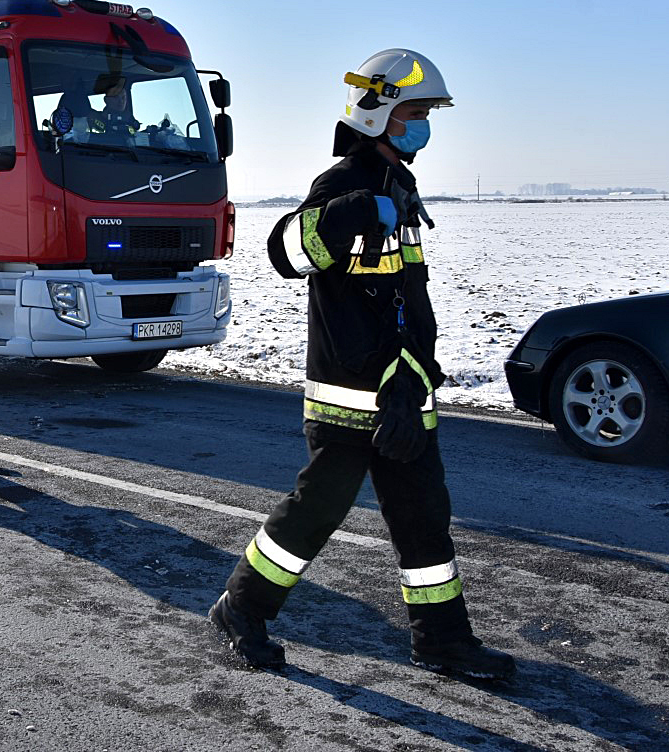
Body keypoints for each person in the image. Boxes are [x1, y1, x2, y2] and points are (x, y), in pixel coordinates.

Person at [209, 48, 515, 681]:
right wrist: (351, 212)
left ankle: (442, 640)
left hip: (403, 397)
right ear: (375, 112)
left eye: (427, 112)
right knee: (314, 514)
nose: (423, 124)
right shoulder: (343, 184)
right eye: (414, 111)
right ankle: (242, 608)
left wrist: (415, 381)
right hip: (350, 397)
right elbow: (287, 251)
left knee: (425, 520)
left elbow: (409, 300)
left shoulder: (402, 188)